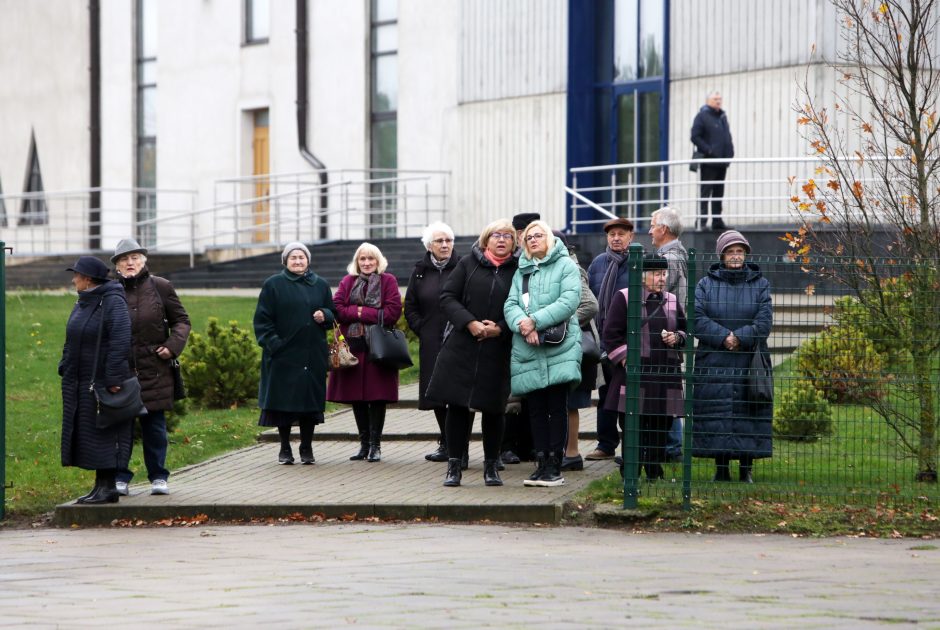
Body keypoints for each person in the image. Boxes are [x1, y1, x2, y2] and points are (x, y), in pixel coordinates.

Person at [426, 219, 518, 487]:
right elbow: (447, 297)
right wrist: (470, 322)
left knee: (494, 409)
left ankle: (491, 466)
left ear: (513, 242)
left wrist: (500, 328)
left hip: (497, 348)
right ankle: (454, 466)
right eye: (496, 235)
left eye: (507, 236)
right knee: (456, 406)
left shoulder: (519, 270)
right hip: (462, 346)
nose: (501, 240)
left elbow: (524, 306)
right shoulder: (468, 263)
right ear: (485, 240)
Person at [504, 221, 582, 487]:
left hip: (558, 346)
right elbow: (511, 303)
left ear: (548, 238)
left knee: (556, 407)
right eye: (528, 237)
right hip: (529, 346)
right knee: (535, 408)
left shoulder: (566, 265)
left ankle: (555, 465)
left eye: (538, 235)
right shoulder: (522, 270)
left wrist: (535, 321)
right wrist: (522, 325)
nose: (533, 240)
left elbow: (569, 300)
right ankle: (540, 462)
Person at [112, 239, 191, 495]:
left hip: (154, 366)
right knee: (121, 426)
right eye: (124, 259)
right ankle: (119, 478)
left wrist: (172, 346)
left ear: (144, 261)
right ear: (117, 266)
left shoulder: (160, 286)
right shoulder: (111, 291)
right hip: (121, 367)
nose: (130, 263)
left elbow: (181, 320)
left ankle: (158, 476)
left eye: (134, 257)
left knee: (154, 424)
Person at [692, 231, 773, 483]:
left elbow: (764, 320)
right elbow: (696, 317)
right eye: (730, 251)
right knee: (717, 414)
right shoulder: (706, 283)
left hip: (749, 361)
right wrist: (723, 336)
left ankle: (745, 467)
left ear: (746, 254)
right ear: (722, 255)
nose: (735, 255)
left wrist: (739, 337)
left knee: (748, 413)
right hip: (714, 360)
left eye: (739, 251)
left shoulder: (760, 284)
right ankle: (721, 467)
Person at [602, 255, 687, 480]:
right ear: (642, 276)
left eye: (664, 274)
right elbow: (611, 335)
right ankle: (630, 470)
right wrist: (626, 359)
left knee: (661, 425)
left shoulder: (671, 299)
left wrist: (677, 338)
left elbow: (686, 331)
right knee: (632, 426)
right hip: (634, 376)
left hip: (665, 375)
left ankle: (653, 470)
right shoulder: (625, 297)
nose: (662, 278)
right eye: (656, 274)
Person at [59, 256, 134, 504]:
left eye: (77, 276)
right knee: (90, 432)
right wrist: (65, 364)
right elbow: (72, 336)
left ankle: (108, 487)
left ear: (88, 279)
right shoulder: (84, 301)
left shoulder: (112, 301)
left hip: (103, 382)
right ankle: (100, 486)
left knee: (105, 432)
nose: (73, 280)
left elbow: (120, 339)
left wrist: (113, 376)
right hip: (80, 380)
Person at [254, 242, 335, 465]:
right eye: (293, 258)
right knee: (284, 405)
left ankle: (307, 448)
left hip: (312, 355)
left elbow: (333, 314)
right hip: (283, 356)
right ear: (285, 261)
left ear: (308, 260)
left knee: (309, 404)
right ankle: (284, 448)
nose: (298, 261)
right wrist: (275, 345)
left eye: (301, 257)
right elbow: (262, 320)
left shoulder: (320, 284)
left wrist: (325, 315)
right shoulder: (274, 285)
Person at [327, 242, 402, 462]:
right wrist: (368, 312)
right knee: (357, 397)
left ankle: (375, 445)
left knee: (377, 397)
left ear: (378, 261)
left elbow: (391, 312)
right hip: (353, 347)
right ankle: (364, 444)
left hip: (378, 348)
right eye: (362, 259)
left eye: (371, 259)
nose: (367, 263)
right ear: (357, 262)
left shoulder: (388, 281)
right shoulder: (347, 281)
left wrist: (358, 311)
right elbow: (337, 309)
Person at [404, 222, 460, 463]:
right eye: (439, 241)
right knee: (436, 393)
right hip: (431, 341)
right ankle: (446, 443)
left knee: (458, 394)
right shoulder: (419, 271)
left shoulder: (463, 267)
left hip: (458, 340)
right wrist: (422, 327)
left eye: (448, 240)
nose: (445, 245)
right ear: (429, 246)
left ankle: (460, 444)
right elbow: (411, 305)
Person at [584, 217, 635, 461]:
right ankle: (605, 444)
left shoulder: (639, 262)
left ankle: (630, 446)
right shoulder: (598, 263)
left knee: (627, 395)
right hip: (603, 339)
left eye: (621, 234)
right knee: (605, 394)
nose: (616, 238)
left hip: (629, 342)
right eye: (612, 234)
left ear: (631, 237)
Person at [552, 230, 598, 473]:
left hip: (572, 344)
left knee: (571, 402)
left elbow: (590, 305)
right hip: (561, 344)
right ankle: (562, 452)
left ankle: (571, 453)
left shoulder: (571, 267)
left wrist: (561, 323)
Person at [499, 212, 541, 465]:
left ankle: (528, 446)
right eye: (522, 232)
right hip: (508, 330)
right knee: (510, 397)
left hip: (532, 332)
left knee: (529, 394)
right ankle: (506, 446)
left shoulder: (535, 259)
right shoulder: (510, 260)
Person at [648, 207, 689, 461]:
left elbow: (659, 298)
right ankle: (670, 447)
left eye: (653, 225)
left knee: (667, 393)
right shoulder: (675, 255)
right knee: (668, 392)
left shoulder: (669, 260)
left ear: (663, 229)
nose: (650, 230)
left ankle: (671, 449)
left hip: (666, 335)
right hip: (671, 333)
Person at [691, 91, 735, 230]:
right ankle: (701, 222)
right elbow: (695, 136)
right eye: (715, 99)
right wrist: (709, 150)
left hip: (722, 161)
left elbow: (727, 136)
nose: (718, 101)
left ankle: (717, 221)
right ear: (708, 101)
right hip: (709, 162)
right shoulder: (702, 116)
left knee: (718, 192)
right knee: (706, 191)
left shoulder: (722, 116)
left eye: (720, 99)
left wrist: (730, 152)